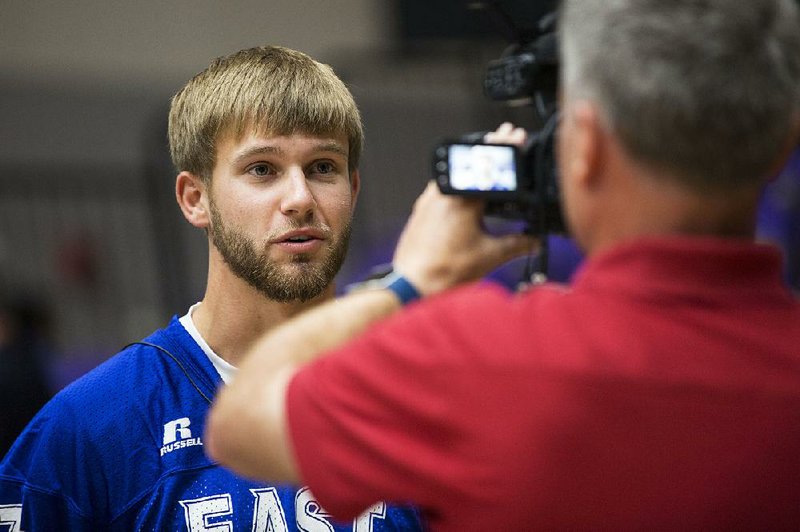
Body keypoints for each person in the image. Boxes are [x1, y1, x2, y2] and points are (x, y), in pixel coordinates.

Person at [205, 1, 800, 530]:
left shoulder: (476, 357)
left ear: (585, 144)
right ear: (782, 142)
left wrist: (411, 281)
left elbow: (241, 420)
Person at [0, 45, 423, 530]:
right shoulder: (94, 427)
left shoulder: (422, 395)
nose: (301, 198)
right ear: (195, 199)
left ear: (353, 186)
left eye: (323, 167)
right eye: (262, 169)